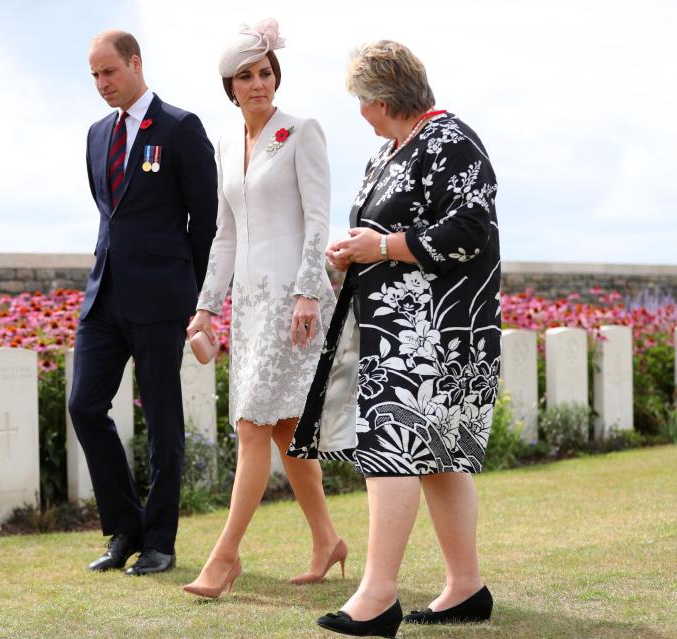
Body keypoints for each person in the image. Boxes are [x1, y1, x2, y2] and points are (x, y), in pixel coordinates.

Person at [287, 40, 501, 637]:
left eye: (362, 100)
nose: (360, 112)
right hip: (395, 332)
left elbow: (470, 230)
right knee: (438, 463)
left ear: (383, 99)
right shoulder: (389, 153)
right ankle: (466, 588)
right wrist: (353, 249)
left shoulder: (451, 141)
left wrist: (377, 247)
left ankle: (378, 596)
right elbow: (387, 231)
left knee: (396, 455)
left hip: (436, 334)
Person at [182, 19, 345, 599]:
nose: (259, 83)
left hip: (294, 300)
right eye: (246, 75)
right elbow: (223, 235)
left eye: (266, 72)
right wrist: (206, 308)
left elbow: (319, 219)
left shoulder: (303, 132)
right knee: (282, 428)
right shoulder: (226, 143)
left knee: (252, 425)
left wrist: (308, 289)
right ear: (230, 85)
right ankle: (328, 540)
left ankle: (224, 558)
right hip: (250, 308)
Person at [68, 29, 217, 577]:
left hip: (161, 301)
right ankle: (125, 527)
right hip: (104, 298)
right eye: (94, 76)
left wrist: (203, 300)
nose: (102, 84)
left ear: (135, 63)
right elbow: (109, 215)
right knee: (85, 406)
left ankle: (160, 541)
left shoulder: (181, 128)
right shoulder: (95, 134)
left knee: (162, 423)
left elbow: (205, 223)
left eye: (109, 72)